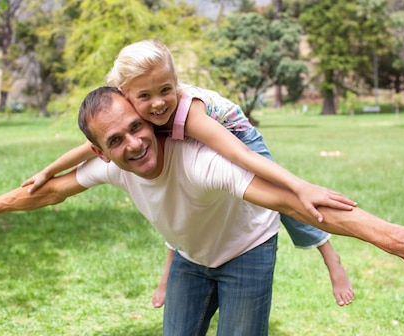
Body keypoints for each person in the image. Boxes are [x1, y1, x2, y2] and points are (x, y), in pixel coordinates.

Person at [0, 86, 404, 336]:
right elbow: (49, 191)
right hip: (189, 256)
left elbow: (296, 202)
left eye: (138, 126)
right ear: (100, 151)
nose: (136, 143)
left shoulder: (200, 160)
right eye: (118, 139)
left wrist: (392, 237)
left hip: (246, 252)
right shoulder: (108, 166)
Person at [21, 39, 357, 307]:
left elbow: (237, 152)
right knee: (175, 197)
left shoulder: (189, 113)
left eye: (166, 89)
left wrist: (301, 186)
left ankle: (330, 256)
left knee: (286, 202)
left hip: (238, 137)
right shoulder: (134, 119)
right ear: (126, 97)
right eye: (145, 96)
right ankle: (170, 274)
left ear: (175, 82)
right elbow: (90, 146)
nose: (158, 103)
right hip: (198, 146)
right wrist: (47, 170)